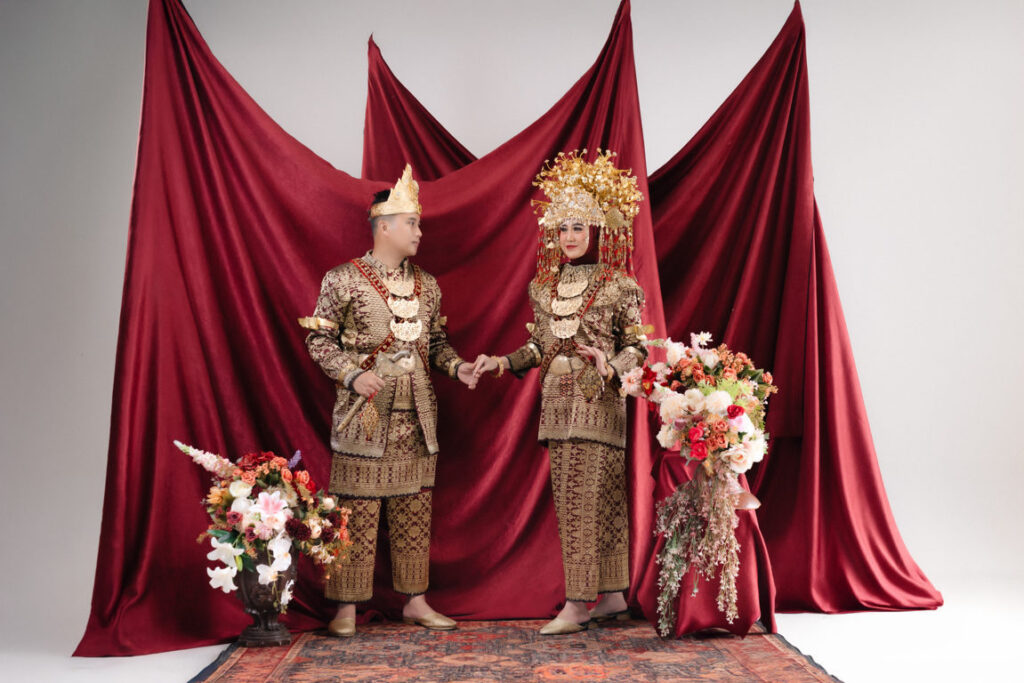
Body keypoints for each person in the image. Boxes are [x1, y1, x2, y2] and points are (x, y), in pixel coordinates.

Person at [472, 150, 649, 635]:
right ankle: (611, 597)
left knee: (588, 502)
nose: (569, 236)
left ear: (596, 229)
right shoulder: (543, 288)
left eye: (578, 227)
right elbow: (539, 347)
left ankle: (577, 604)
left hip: (599, 402)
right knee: (587, 501)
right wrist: (501, 362)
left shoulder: (619, 286)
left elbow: (638, 348)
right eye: (563, 227)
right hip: (557, 404)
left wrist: (610, 365)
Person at [302, 164, 478, 637]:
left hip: (417, 418)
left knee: (414, 512)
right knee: (356, 512)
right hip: (364, 417)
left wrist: (458, 368)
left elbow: (435, 345)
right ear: (384, 226)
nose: (419, 232)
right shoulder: (342, 280)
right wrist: (353, 375)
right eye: (412, 223)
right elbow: (319, 341)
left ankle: (415, 602)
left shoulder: (429, 286)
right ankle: (344, 608)